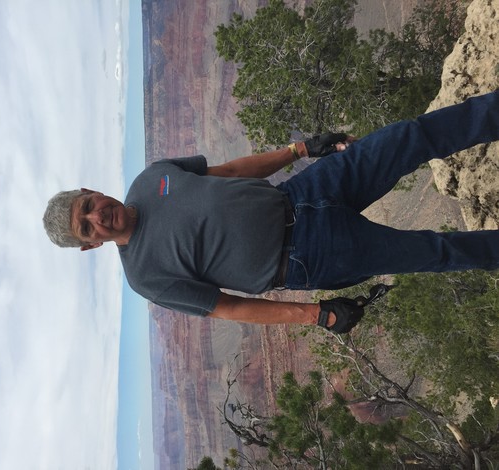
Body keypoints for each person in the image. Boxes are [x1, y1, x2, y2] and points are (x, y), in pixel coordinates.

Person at [43, 91, 499, 333]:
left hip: (304, 191)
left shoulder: (151, 178)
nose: (97, 217)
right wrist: (316, 315)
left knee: (410, 137)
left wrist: (301, 149)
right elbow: (228, 308)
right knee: (435, 251)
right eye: (87, 228)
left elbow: (230, 171)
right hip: (310, 254)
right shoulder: (145, 277)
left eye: (88, 206)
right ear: (90, 245)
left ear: (90, 191)